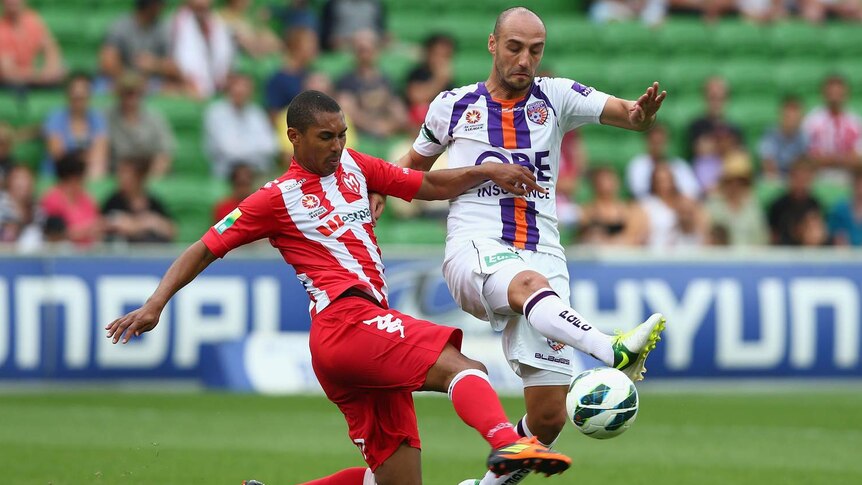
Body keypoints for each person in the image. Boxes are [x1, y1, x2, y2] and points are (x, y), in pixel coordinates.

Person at [105, 90, 572, 485]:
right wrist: (155, 303)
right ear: (294, 137)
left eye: (342, 133)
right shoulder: (275, 198)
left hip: (357, 341)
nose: (337, 145)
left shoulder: (354, 165)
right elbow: (204, 247)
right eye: (326, 137)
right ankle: (507, 443)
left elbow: (425, 182)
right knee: (462, 366)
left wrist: (486, 171)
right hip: (346, 322)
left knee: (398, 482)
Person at [372, 8, 667, 485]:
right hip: (475, 246)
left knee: (549, 416)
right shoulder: (452, 104)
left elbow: (627, 114)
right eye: (514, 47)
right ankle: (611, 348)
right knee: (529, 284)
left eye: (535, 50)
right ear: (492, 45)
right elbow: (412, 165)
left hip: (543, 254)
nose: (524, 59)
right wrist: (381, 187)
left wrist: (640, 114)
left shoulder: (556, 97)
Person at [99, 0, 186, 94]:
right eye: (159, 4)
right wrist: (130, 79)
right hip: (121, 79)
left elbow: (174, 68)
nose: (162, 7)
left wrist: (154, 64)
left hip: (152, 82)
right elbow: (107, 62)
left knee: (181, 89)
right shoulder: (121, 27)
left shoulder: (162, 28)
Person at [336, 29, 407, 139]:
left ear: (376, 51)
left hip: (385, 130)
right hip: (358, 135)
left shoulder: (386, 80)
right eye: (361, 50)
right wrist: (373, 126)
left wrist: (388, 126)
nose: (365, 54)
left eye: (368, 50)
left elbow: (398, 110)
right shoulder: (346, 81)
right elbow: (347, 110)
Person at [204, 72, 278, 178]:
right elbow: (228, 150)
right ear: (229, 90)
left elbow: (271, 146)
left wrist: (244, 149)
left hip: (257, 171)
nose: (241, 92)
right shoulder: (215, 113)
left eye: (245, 89)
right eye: (237, 89)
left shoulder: (257, 112)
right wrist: (256, 150)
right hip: (227, 171)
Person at [108, 71, 175, 177]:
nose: (131, 97)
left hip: (150, 173)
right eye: (127, 92)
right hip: (119, 175)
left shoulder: (155, 118)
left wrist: (151, 180)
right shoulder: (108, 117)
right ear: (119, 93)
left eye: (135, 92)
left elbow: (165, 152)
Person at [43, 73, 109, 179]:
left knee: (98, 167)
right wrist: (84, 157)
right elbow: (57, 154)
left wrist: (80, 159)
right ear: (68, 96)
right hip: (59, 173)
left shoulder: (97, 118)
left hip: (86, 172)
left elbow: (100, 153)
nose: (78, 101)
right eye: (75, 97)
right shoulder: (55, 117)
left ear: (89, 96)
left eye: (82, 97)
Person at [802, 74, 862, 186]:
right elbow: (808, 159)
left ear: (846, 94)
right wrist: (841, 159)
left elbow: (858, 160)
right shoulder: (811, 121)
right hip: (818, 180)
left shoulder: (856, 123)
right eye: (831, 93)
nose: (835, 97)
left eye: (838, 93)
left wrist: (830, 159)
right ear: (824, 94)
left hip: (849, 180)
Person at [102, 157, 175, 243]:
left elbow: (172, 231)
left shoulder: (153, 201)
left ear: (140, 177)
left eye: (127, 174)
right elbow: (100, 225)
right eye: (121, 173)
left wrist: (155, 222)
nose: (122, 178)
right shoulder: (113, 201)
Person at [171, 0, 235, 98]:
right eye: (198, 5)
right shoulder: (177, 24)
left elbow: (227, 58)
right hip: (188, 88)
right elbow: (172, 62)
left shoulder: (218, 24)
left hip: (217, 87)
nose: (201, 4)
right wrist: (186, 81)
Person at [39, 150, 103, 247]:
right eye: (81, 177)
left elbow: (98, 226)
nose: (84, 180)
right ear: (73, 178)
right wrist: (84, 231)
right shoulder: (52, 200)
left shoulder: (87, 198)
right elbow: (55, 234)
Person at [704, 153, 768, 246]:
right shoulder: (712, 205)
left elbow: (762, 240)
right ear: (724, 182)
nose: (734, 186)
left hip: (750, 258)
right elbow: (707, 239)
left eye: (740, 181)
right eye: (730, 181)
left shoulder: (753, 207)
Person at [626, 123, 701, 200]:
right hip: (649, 206)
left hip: (677, 206)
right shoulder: (638, 164)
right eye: (655, 142)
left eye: (661, 141)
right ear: (647, 141)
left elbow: (693, 191)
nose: (658, 146)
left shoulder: (679, 164)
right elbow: (639, 193)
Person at [0, 0, 64, 87]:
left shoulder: (32, 20)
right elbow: (7, 72)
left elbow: (51, 49)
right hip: (9, 86)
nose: (12, 2)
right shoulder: (2, 28)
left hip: (33, 80)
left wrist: (50, 68)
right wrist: (37, 76)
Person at [579, 166, 646, 246]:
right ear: (595, 184)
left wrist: (612, 241)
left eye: (609, 180)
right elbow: (583, 237)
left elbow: (633, 237)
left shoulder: (628, 210)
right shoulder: (588, 211)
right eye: (602, 181)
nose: (606, 185)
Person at [263, 24, 319, 119]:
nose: (315, 47)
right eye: (310, 43)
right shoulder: (278, 80)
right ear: (295, 46)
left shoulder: (310, 75)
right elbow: (273, 116)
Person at [684, 76, 743, 162]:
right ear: (705, 97)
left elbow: (741, 156)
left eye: (720, 98)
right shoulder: (696, 126)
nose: (716, 103)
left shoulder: (734, 128)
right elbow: (696, 153)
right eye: (713, 97)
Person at [405, 33, 456, 131]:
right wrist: (439, 80)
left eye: (445, 56)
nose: (440, 60)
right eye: (437, 55)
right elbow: (416, 97)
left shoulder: (450, 82)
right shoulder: (417, 73)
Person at [767, 160, 822, 245]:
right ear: (790, 177)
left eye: (804, 179)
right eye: (797, 177)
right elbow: (772, 236)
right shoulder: (778, 205)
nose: (801, 182)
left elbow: (819, 235)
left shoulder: (814, 205)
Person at [758, 95, 808, 180]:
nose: (792, 119)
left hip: (795, 180)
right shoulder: (770, 134)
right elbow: (768, 164)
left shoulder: (803, 137)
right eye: (788, 116)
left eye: (795, 116)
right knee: (769, 178)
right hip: (776, 178)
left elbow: (804, 164)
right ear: (781, 115)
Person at [828, 166, 862, 246]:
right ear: (853, 185)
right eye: (859, 184)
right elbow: (836, 236)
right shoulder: (839, 210)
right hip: (845, 255)